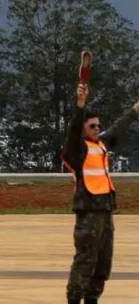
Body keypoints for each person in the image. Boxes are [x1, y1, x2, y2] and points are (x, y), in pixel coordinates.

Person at [63, 83, 139, 304]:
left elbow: (120, 126)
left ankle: (92, 299)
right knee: (85, 260)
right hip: (88, 213)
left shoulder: (102, 145)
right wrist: (80, 105)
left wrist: (135, 109)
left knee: (103, 262)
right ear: (83, 129)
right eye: (92, 126)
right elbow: (74, 129)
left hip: (105, 211)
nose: (97, 128)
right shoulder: (77, 149)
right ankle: (74, 299)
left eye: (98, 125)